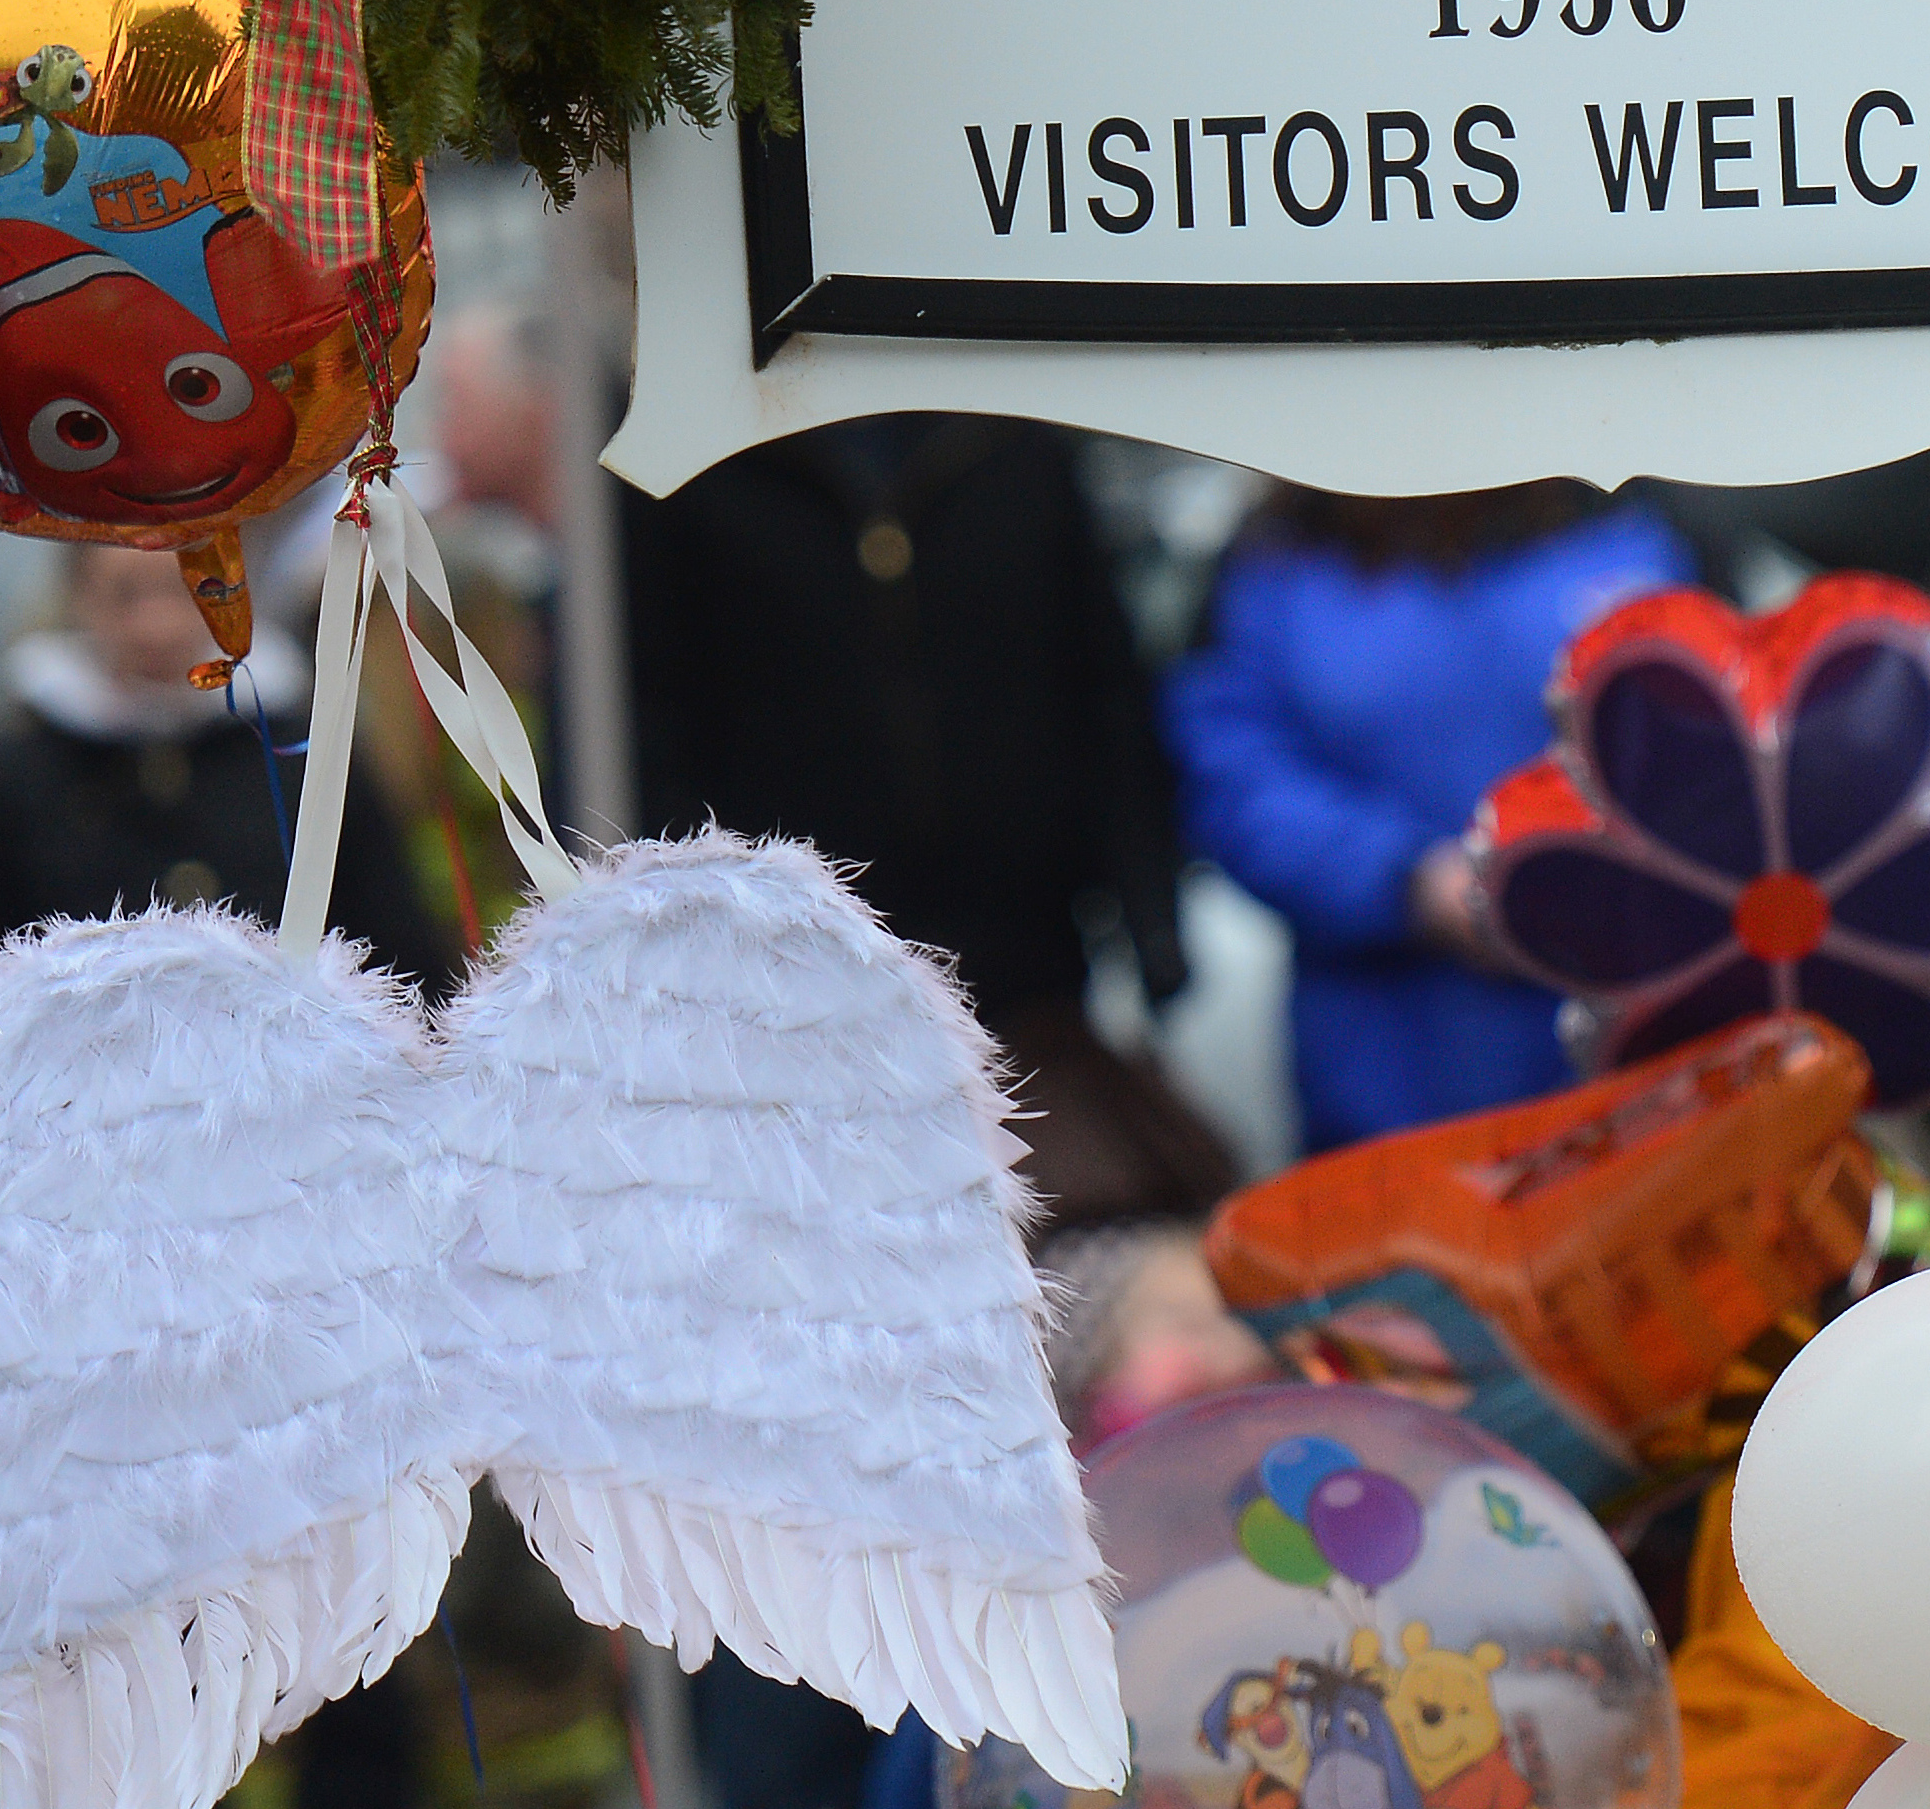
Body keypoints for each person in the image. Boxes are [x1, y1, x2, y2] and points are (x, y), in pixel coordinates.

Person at [0, 536, 452, 1809]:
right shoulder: (8, 778)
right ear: (75, 608)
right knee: (146, 1634)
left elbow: (406, 976)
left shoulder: (299, 760)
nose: (153, 621)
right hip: (109, 1286)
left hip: (307, 1267)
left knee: (349, 1622)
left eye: (178, 589)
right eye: (121, 593)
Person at [617, 412, 1234, 1226]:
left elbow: (1103, 690)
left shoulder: (1016, 444)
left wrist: (1151, 921)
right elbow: (650, 721)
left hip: (1025, 969)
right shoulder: (689, 468)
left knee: (1037, 1241)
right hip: (792, 984)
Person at [1161, 481, 1687, 1152]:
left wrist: (1606, 869)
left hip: (1625, 1079)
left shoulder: (1627, 519)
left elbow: (1726, 748)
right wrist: (1405, 879)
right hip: (1384, 1087)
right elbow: (1231, 775)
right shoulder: (1281, 560)